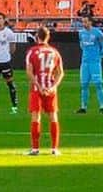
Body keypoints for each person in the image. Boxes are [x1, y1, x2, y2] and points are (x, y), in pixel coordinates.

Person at [25, 25, 64, 157]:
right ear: (48, 37)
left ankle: (35, 149)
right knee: (53, 116)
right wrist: (54, 86)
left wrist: (38, 86)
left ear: (37, 36)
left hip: (37, 88)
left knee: (36, 116)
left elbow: (29, 72)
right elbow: (60, 73)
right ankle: (54, 149)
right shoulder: (54, 52)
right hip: (51, 88)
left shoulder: (32, 51)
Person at [75, 15, 103, 114]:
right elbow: (81, 45)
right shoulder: (81, 33)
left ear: (90, 22)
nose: (84, 24)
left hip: (95, 62)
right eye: (83, 22)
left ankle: (102, 107)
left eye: (85, 22)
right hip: (85, 62)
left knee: (98, 84)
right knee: (84, 85)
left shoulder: (98, 33)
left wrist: (99, 57)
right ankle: (83, 107)